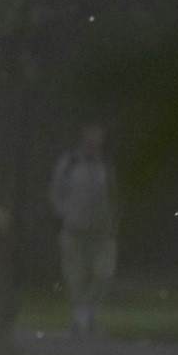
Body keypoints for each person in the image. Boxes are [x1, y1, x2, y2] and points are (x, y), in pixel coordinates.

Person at [50, 123, 119, 339]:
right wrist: (65, 214)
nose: (94, 138)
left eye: (97, 134)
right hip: (74, 229)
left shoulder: (105, 165)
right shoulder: (69, 163)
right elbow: (55, 191)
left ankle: (89, 313)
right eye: (90, 133)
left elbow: (114, 194)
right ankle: (81, 320)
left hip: (102, 230)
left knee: (103, 273)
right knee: (75, 275)